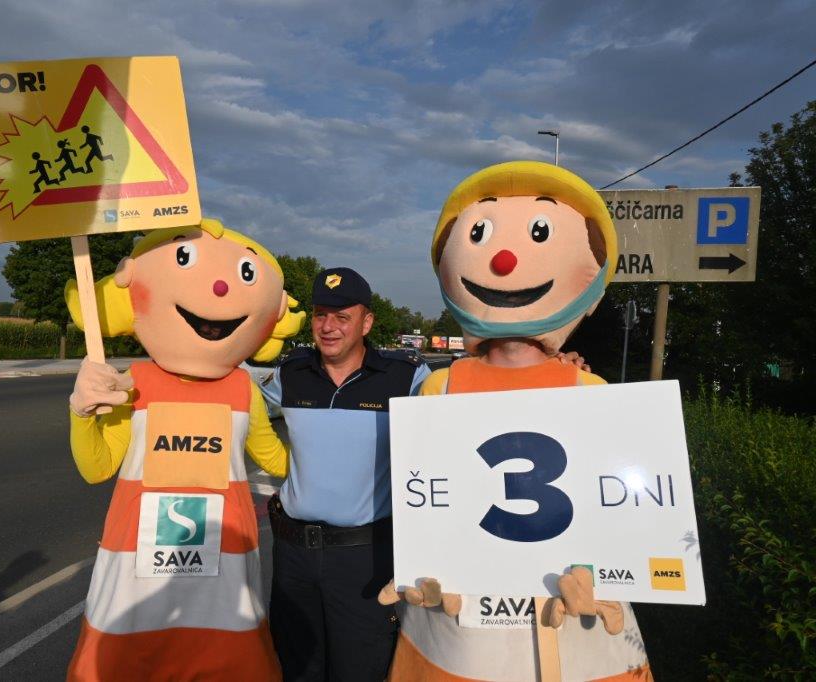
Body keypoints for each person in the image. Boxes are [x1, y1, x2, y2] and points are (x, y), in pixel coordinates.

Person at [381, 161, 650, 681]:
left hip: (568, 622)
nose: (504, 261)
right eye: (480, 236)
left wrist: (599, 571)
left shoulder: (590, 390)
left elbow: (615, 504)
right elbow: (423, 494)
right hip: (460, 623)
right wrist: (419, 561)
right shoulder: (441, 387)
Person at [63, 218, 304, 681]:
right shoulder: (133, 383)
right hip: (137, 567)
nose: (219, 288)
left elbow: (276, 460)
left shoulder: (243, 389)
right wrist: (81, 412)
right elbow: (97, 468)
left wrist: (340, 460)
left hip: (223, 568)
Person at [259, 267, 431, 681]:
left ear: (366, 322)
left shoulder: (406, 376)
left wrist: (555, 366)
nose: (328, 327)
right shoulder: (290, 373)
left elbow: (468, 406)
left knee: (360, 670)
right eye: (321, 315)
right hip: (293, 554)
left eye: (342, 317)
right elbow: (225, 389)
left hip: (364, 558)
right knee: (296, 668)